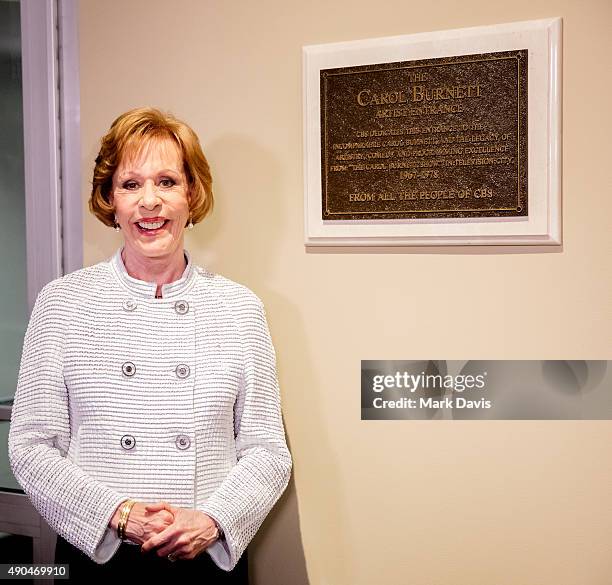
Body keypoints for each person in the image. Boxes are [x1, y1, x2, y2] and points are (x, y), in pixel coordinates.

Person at [8, 107, 292, 582]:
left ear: (191, 195)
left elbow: (267, 450)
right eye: (130, 184)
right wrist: (118, 514)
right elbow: (31, 446)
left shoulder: (240, 308)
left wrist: (212, 520)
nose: (150, 202)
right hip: (99, 555)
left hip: (204, 558)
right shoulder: (62, 303)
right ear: (110, 201)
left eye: (166, 182)